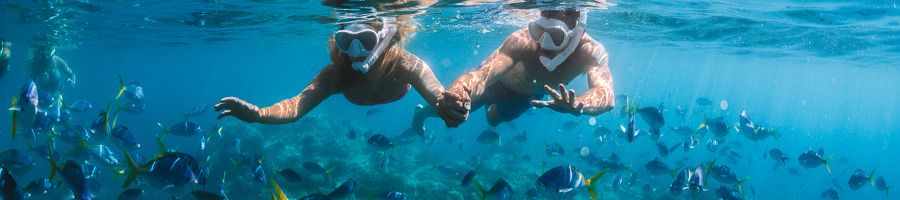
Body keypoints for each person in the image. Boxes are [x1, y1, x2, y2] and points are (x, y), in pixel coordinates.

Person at [215, 15, 444, 130]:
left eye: (365, 40)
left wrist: (453, 103)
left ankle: (420, 114)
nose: (355, 52)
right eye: (346, 41)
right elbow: (296, 106)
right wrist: (260, 115)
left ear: (386, 39)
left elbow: (439, 97)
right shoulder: (337, 74)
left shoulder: (406, 64)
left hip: (399, 91)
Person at [416, 8, 615, 130]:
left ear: (576, 20)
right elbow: (481, 76)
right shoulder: (522, 41)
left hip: (525, 98)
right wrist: (461, 89)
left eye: (554, 35)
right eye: (539, 31)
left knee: (493, 120)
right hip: (494, 84)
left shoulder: (590, 52)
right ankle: (423, 114)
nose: (543, 43)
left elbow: (606, 95)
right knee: (453, 108)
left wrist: (580, 103)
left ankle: (488, 107)